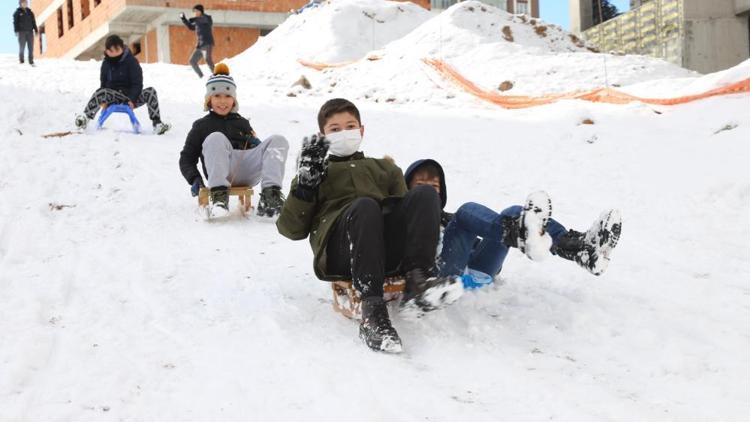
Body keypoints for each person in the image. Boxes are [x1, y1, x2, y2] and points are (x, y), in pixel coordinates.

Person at [276, 98, 464, 354]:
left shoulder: (385, 169)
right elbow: (290, 230)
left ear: (361, 130)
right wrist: (306, 187)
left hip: (386, 247)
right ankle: (372, 311)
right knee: (364, 206)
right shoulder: (316, 174)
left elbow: (407, 211)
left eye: (350, 126)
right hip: (342, 251)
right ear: (323, 137)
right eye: (335, 129)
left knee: (424, 194)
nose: (344, 133)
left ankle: (419, 281)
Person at [403, 160, 622, 287]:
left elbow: (476, 245)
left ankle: (581, 249)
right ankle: (518, 233)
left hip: (478, 272)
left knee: (514, 212)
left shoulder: (447, 219)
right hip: (440, 278)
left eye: (435, 185)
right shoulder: (406, 220)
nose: (429, 189)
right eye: (421, 184)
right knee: (466, 211)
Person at [179, 63, 289, 218]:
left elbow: (256, 147)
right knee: (215, 137)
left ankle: (270, 197)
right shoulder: (201, 126)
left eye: (228, 96)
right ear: (209, 99)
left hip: (246, 169)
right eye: (217, 96)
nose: (222, 101)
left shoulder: (242, 122)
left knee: (278, 140)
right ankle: (219, 198)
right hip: (220, 172)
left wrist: (255, 143)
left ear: (234, 99)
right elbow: (186, 158)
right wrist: (195, 179)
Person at [74, 35, 170, 135]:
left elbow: (137, 83)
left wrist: (132, 99)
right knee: (101, 91)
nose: (115, 53)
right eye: (111, 51)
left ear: (122, 48)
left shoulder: (131, 61)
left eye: (117, 50)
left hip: (130, 97)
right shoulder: (105, 64)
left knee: (151, 92)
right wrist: (104, 101)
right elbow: (103, 84)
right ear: (107, 51)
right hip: (113, 96)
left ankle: (157, 124)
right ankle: (85, 118)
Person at [180, 4, 215, 78]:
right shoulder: (197, 21)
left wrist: (195, 19)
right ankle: (201, 77)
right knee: (192, 61)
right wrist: (184, 19)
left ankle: (217, 75)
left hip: (207, 43)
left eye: (196, 11)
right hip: (200, 45)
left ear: (200, 11)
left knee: (208, 59)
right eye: (194, 12)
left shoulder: (207, 18)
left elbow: (204, 20)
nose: (195, 13)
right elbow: (190, 27)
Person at [13, 0, 37, 66]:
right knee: (22, 47)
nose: (25, 4)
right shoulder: (17, 12)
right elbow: (15, 22)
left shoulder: (30, 12)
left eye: (26, 3)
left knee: (31, 47)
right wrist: (16, 31)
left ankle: (31, 61)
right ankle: (21, 60)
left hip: (30, 32)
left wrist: (36, 30)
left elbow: (33, 22)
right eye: (24, 3)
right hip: (21, 32)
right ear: (20, 4)